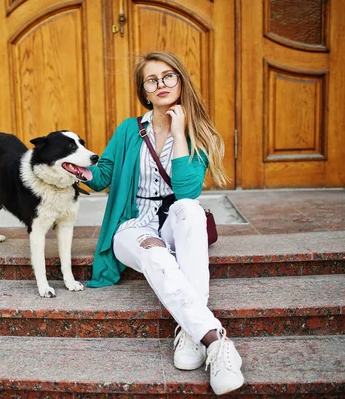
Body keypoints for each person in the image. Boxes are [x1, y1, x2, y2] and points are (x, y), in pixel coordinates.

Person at [85, 51, 243, 396]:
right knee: (155, 255)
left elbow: (187, 191)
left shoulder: (199, 134)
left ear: (180, 80)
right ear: (144, 91)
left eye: (168, 76)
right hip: (134, 225)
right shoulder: (129, 129)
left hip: (176, 221)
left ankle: (192, 333)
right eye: (152, 80)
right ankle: (216, 341)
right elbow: (104, 175)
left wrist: (179, 131)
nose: (161, 84)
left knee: (189, 209)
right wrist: (79, 170)